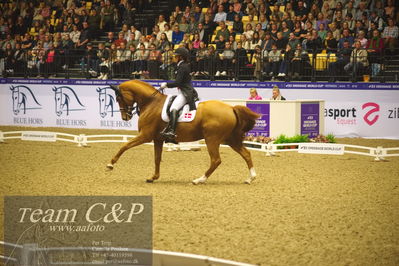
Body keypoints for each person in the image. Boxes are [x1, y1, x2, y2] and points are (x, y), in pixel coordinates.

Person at [159, 47, 199, 143]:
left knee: (174, 108)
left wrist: (166, 85)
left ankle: (172, 132)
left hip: (186, 93)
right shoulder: (181, 65)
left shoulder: (183, 66)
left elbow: (178, 82)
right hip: (183, 91)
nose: (174, 57)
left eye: (176, 56)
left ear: (180, 57)